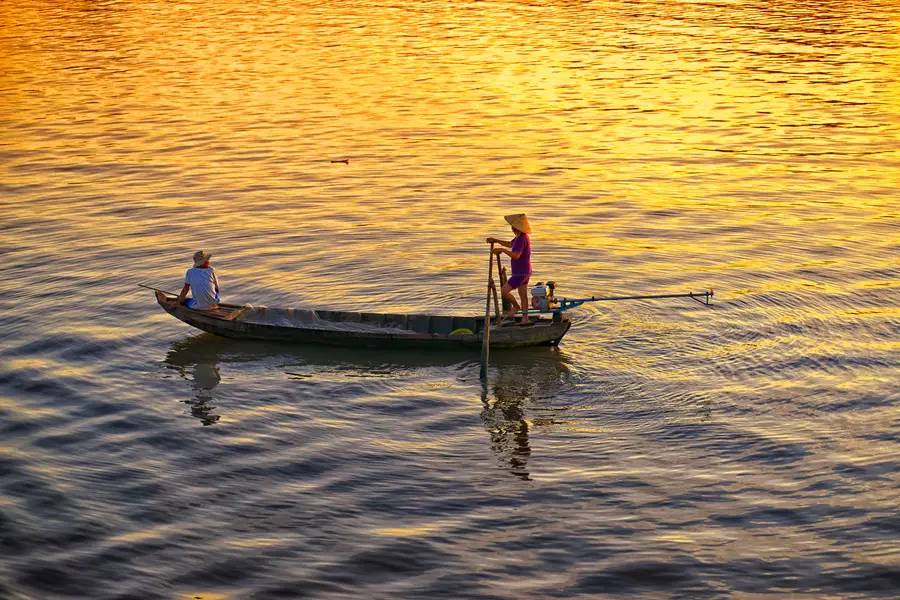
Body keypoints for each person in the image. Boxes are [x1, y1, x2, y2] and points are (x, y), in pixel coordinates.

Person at [486, 213, 533, 324]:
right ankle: (525, 319)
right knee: (523, 296)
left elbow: (516, 255)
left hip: (520, 273)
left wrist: (502, 250)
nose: (512, 229)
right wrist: (496, 240)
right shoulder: (519, 237)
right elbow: (509, 244)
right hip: (525, 271)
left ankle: (516, 306)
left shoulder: (521, 239)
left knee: (504, 291)